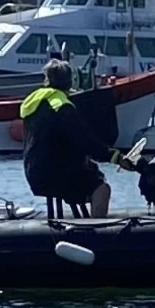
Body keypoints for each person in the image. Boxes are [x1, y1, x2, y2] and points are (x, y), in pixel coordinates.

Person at [20, 59, 133, 218]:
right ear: (69, 82)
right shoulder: (62, 106)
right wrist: (116, 157)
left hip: (33, 174)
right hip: (55, 174)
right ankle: (97, 232)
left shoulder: (34, 102)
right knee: (101, 187)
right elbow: (85, 141)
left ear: (47, 80)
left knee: (85, 170)